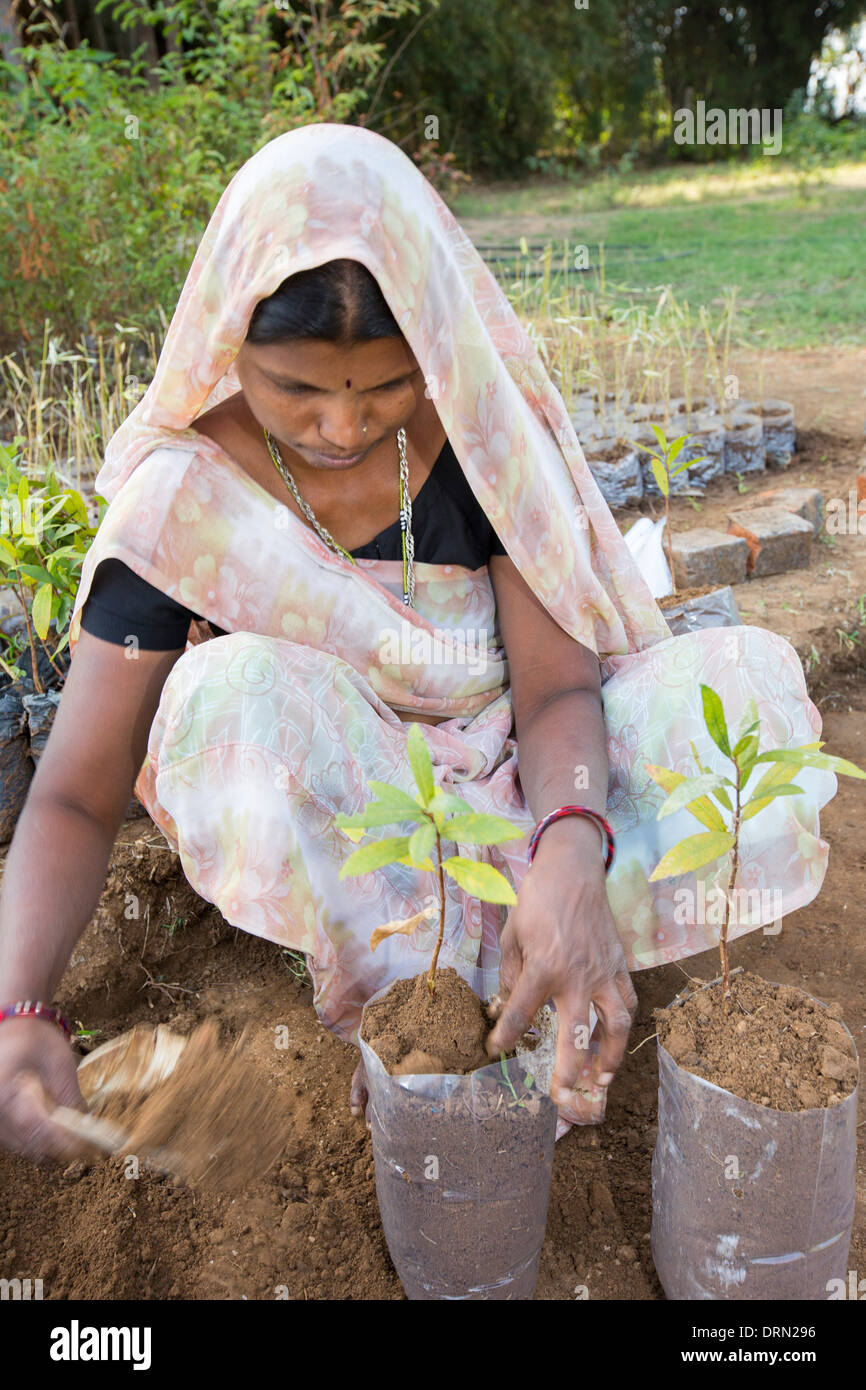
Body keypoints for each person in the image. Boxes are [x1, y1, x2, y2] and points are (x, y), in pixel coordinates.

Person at [0, 122, 834, 1163]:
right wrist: (19, 1005)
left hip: (524, 766)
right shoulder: (182, 504)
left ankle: (553, 939)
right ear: (227, 342)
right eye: (296, 388)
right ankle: (413, 1007)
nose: (342, 429)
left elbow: (557, 689)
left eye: (383, 387)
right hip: (362, 811)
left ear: (432, 352)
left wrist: (569, 843)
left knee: (744, 681)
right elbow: (77, 792)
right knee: (227, 695)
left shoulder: (478, 441)